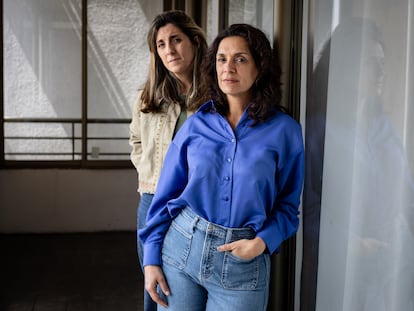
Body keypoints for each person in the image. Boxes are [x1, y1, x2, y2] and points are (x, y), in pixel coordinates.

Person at [139, 23, 305, 311]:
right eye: (222, 59)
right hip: (182, 250)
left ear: (260, 68)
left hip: (243, 263)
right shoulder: (195, 125)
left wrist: (262, 242)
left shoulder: (285, 132)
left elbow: (288, 207)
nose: (229, 67)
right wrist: (151, 259)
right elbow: (164, 198)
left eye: (240, 59)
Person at [129, 10, 207, 311]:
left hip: (197, 205)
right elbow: (135, 141)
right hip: (153, 201)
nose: (169, 50)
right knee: (154, 284)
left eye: (176, 39)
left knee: (185, 288)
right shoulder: (148, 97)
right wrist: (152, 174)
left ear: (195, 41)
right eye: (161, 44)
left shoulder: (216, 96)